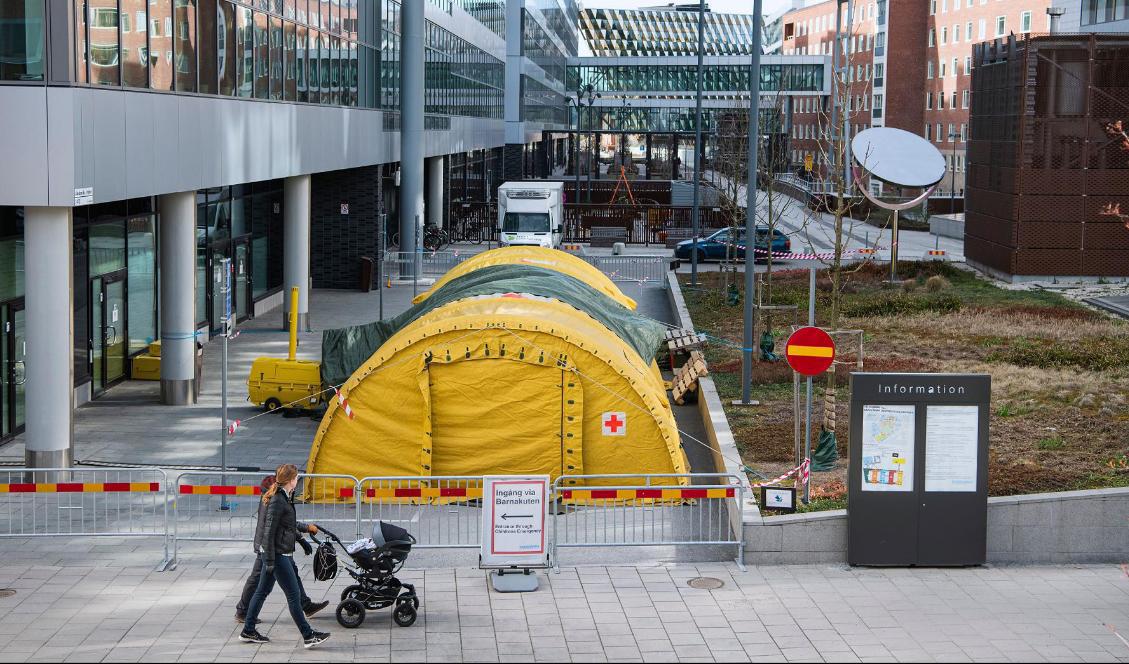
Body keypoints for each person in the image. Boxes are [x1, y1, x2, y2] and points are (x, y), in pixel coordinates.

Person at [240, 464, 330, 648]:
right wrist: (271, 562)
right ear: (290, 480)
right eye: (297, 477)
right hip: (278, 555)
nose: (298, 480)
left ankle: (248, 630)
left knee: (262, 591)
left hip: (277, 553)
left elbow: (286, 525)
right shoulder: (277, 500)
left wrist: (303, 539)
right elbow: (269, 533)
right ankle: (308, 635)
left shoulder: (284, 497)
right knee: (293, 596)